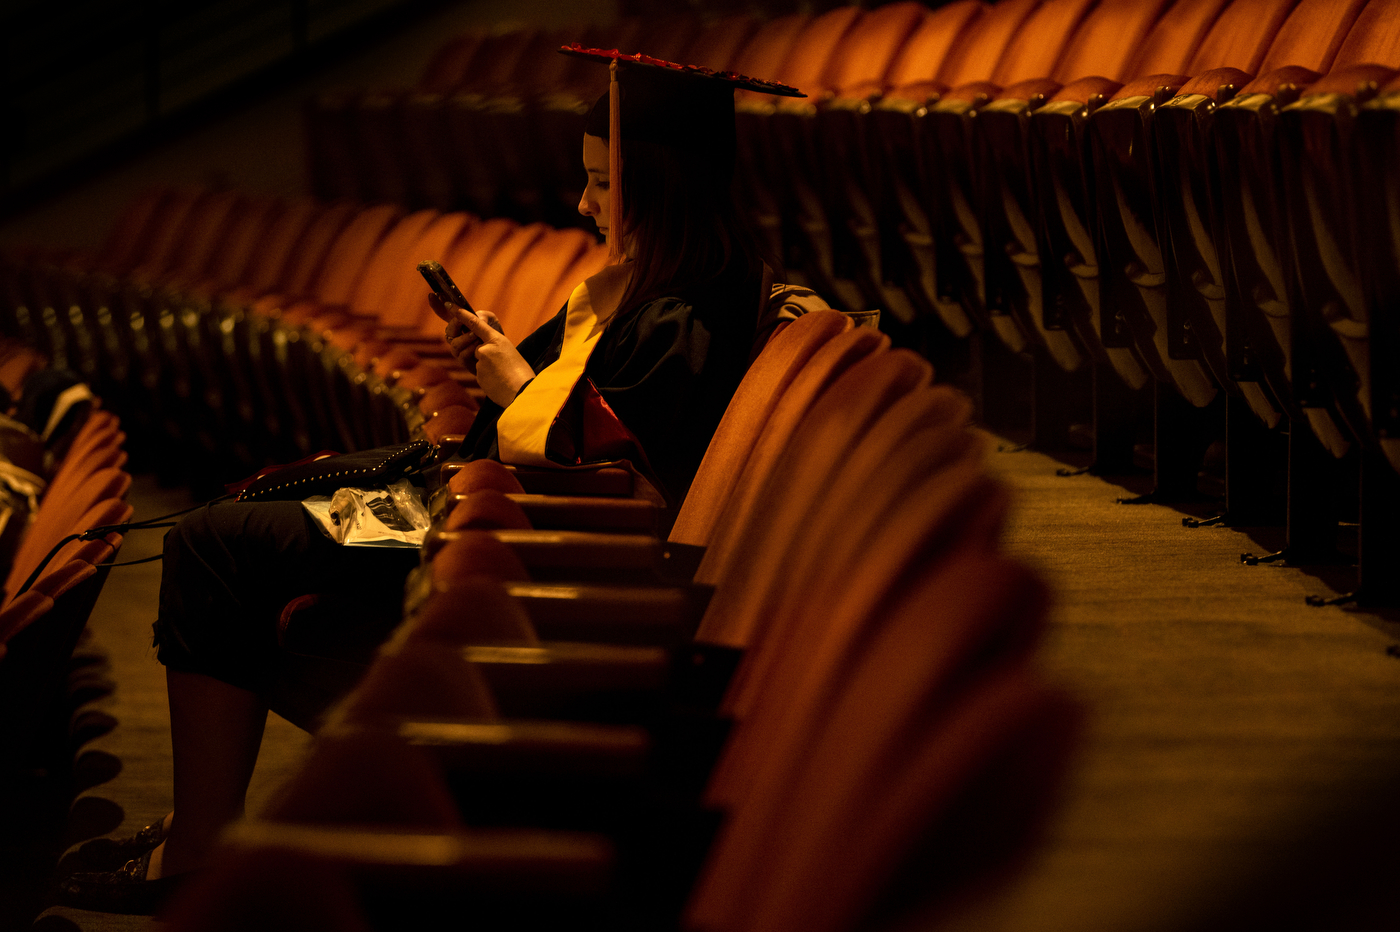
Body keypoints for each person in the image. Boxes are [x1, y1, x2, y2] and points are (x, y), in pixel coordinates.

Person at [59, 48, 802, 914]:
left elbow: (615, 460)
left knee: (215, 546)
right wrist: (503, 357)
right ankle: (203, 822)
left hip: (517, 555)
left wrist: (513, 388)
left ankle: (198, 848)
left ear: (662, 183)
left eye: (603, 182)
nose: (584, 204)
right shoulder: (664, 282)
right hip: (479, 506)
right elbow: (576, 400)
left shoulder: (687, 311)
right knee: (246, 505)